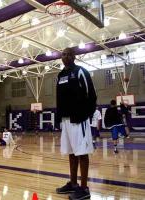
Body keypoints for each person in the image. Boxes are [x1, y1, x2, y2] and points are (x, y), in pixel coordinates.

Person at [55, 48, 97, 200]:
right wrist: (59, 117)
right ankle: (73, 184)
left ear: (74, 56)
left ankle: (84, 188)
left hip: (79, 119)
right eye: (63, 54)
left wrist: (87, 114)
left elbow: (91, 95)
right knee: (71, 153)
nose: (65, 56)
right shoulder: (60, 76)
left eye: (68, 54)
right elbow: (59, 99)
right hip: (66, 120)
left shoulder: (81, 72)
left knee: (82, 153)